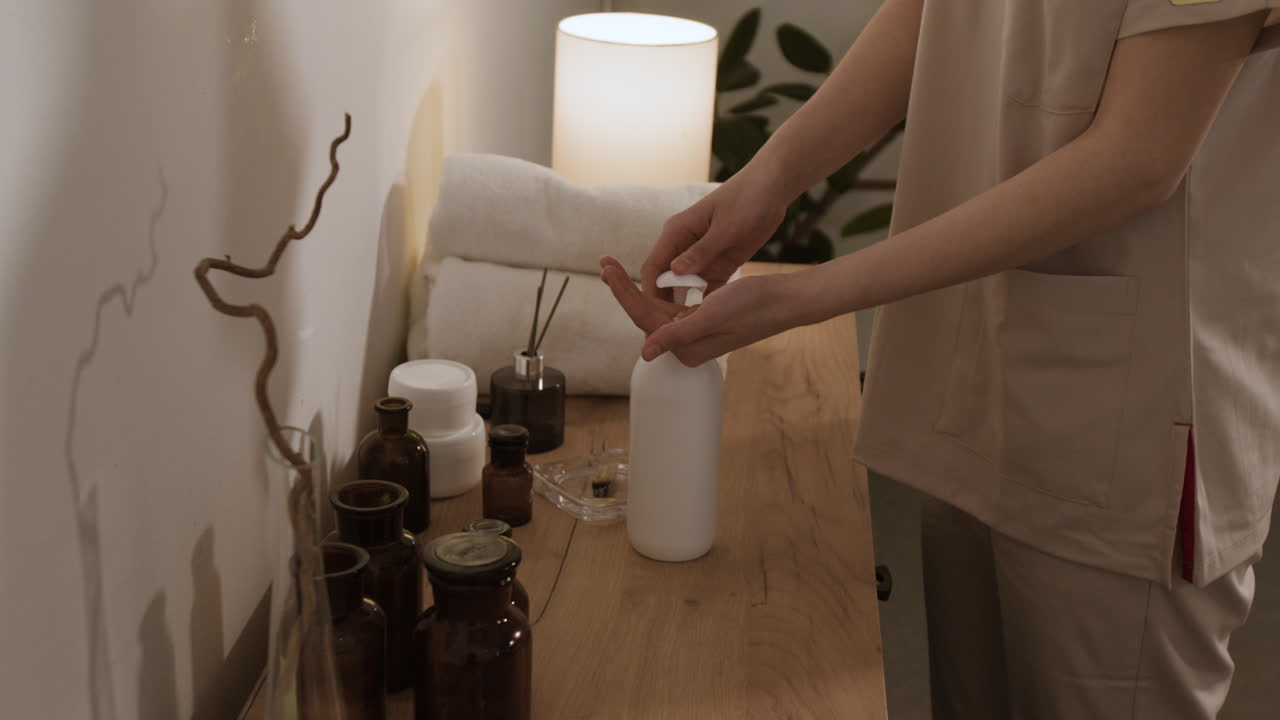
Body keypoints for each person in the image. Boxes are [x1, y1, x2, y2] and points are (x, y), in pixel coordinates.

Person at [600, 1, 1280, 718]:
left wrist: (802, 296)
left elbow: (1138, 157)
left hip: (1124, 414)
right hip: (973, 369)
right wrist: (764, 182)